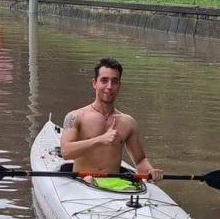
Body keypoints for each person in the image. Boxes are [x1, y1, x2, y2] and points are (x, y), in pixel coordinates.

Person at [60, 58, 162, 188]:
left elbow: (140, 160)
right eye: (104, 80)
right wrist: (100, 140)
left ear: (119, 85)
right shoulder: (75, 116)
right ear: (94, 83)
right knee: (89, 180)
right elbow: (65, 152)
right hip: (82, 182)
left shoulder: (128, 122)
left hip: (114, 184)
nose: (109, 87)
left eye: (114, 81)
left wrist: (150, 170)